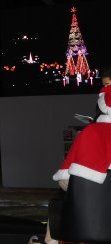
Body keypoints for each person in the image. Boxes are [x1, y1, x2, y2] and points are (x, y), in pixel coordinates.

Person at [46, 84, 111, 244]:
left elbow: (66, 176)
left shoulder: (90, 131)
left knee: (61, 193)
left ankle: (50, 241)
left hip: (87, 213)